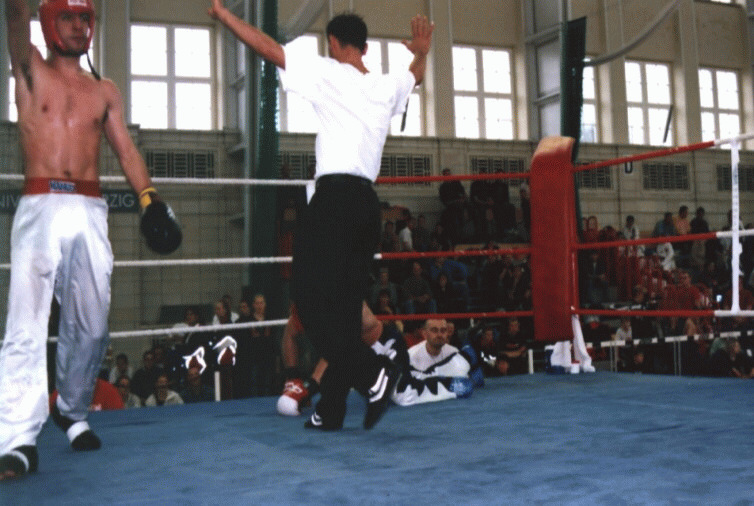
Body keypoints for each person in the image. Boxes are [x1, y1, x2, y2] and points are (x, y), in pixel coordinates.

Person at [210, 3, 434, 430]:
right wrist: (420, 51)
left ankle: (372, 374)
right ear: (365, 47)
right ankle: (331, 410)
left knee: (310, 303)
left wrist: (225, 17)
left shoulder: (328, 72)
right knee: (347, 310)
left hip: (332, 201)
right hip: (368, 206)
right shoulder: (386, 85)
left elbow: (270, 50)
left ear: (334, 43)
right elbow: (416, 76)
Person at [0, 0, 181, 479]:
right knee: (25, 324)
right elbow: (14, 15)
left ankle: (71, 410)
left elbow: (125, 149)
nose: (80, 28)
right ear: (48, 21)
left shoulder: (104, 91)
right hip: (40, 204)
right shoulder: (29, 67)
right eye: (69, 18)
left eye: (86, 20)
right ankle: (17, 439)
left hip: (89, 207)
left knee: (93, 324)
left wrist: (149, 198)